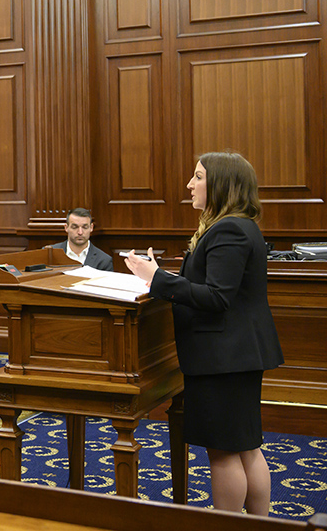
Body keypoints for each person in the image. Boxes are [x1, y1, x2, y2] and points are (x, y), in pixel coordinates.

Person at [125, 152, 283, 516]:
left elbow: (217, 297)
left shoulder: (229, 229)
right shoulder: (238, 226)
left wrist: (157, 279)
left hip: (223, 358)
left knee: (224, 452)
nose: (189, 184)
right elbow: (215, 286)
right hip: (234, 354)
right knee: (246, 447)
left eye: (198, 176)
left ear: (221, 183)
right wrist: (161, 276)